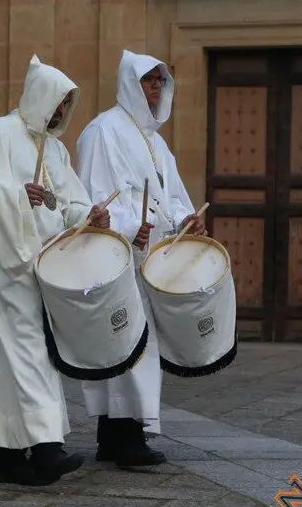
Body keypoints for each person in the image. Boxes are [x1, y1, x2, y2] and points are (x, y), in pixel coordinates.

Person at [0, 54, 110, 486]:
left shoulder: (55, 150)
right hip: (7, 262)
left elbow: (70, 201)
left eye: (66, 106)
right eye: (56, 103)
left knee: (18, 356)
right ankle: (46, 448)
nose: (60, 113)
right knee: (30, 351)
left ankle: (7, 459)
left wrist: (89, 215)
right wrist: (16, 195)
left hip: (47, 265)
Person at [75, 50, 206, 469]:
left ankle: (114, 437)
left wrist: (187, 218)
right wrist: (131, 227)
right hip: (120, 255)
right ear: (131, 83)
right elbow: (93, 194)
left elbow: (172, 194)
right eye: (149, 80)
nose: (156, 87)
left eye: (160, 81)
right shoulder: (103, 131)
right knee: (128, 344)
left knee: (137, 344)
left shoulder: (155, 141)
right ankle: (126, 438)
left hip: (151, 258)